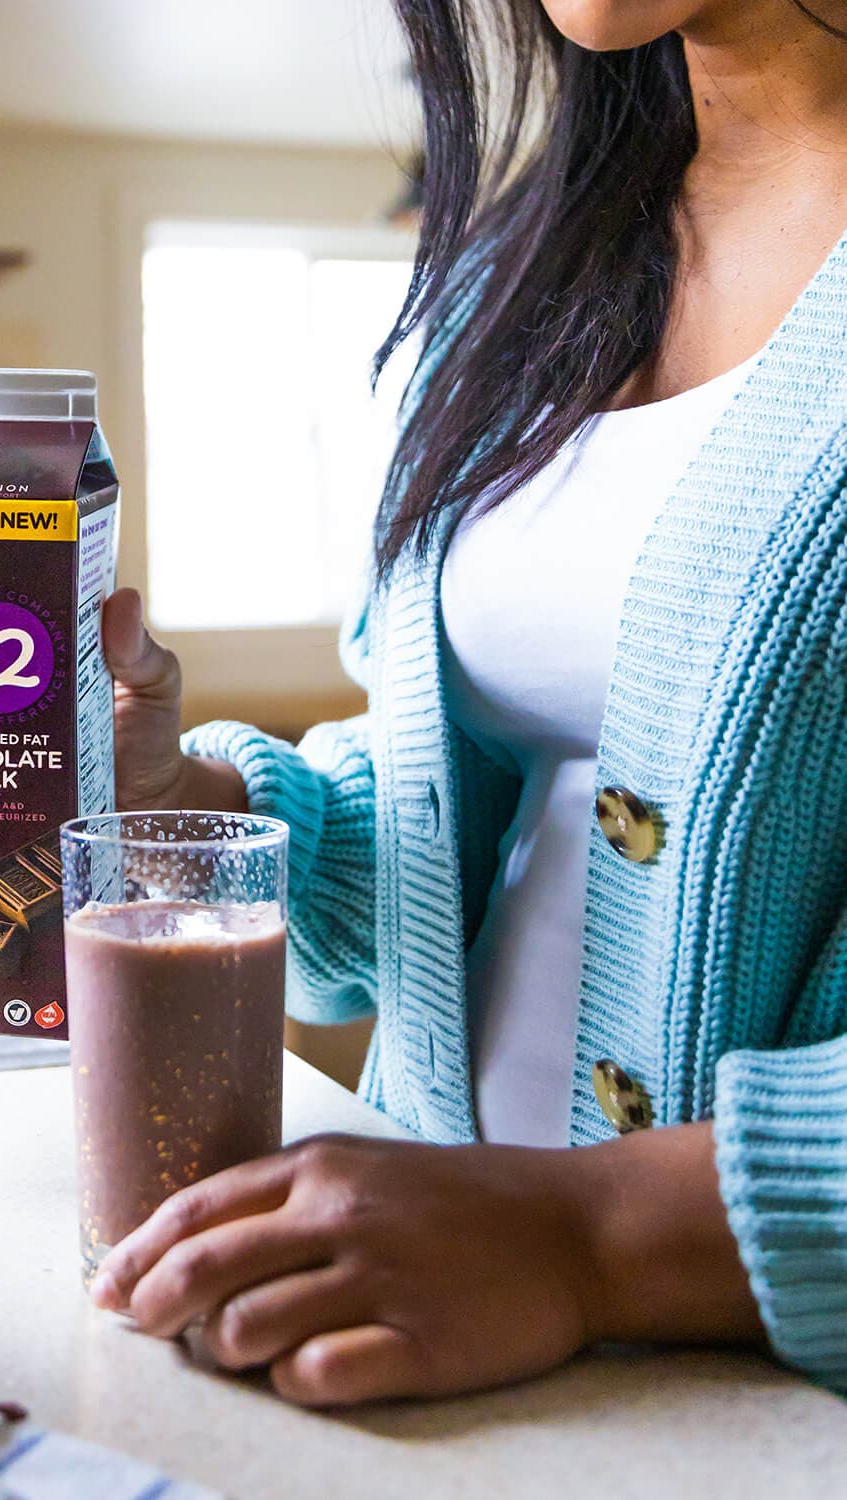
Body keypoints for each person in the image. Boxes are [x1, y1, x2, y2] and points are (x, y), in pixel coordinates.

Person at [89, 0, 847, 1407]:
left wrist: (589, 1236)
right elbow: (477, 827)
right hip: (423, 1350)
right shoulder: (530, 266)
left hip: (767, 1410)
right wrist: (192, 812)